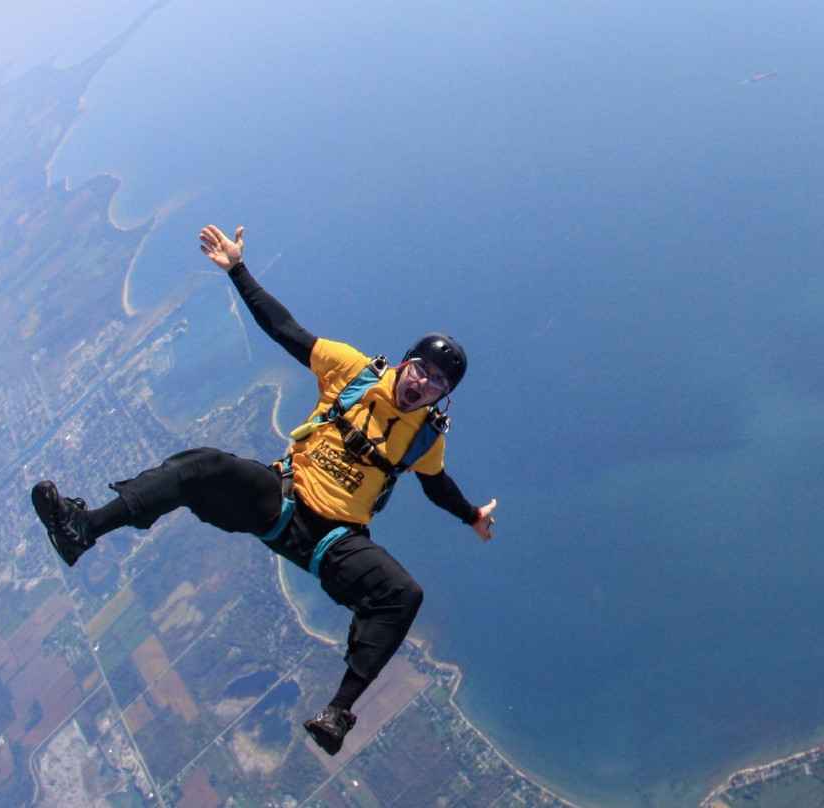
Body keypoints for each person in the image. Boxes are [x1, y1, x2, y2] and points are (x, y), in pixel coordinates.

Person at [31, 224, 497, 756]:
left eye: (437, 383)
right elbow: (284, 329)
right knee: (202, 465)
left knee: (404, 595)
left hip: (336, 541)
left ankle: (337, 712)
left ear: (444, 398)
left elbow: (438, 487)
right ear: (405, 361)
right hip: (281, 498)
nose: (422, 384)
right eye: (421, 369)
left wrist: (471, 516)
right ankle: (82, 528)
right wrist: (237, 269)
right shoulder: (352, 370)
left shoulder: (425, 439)